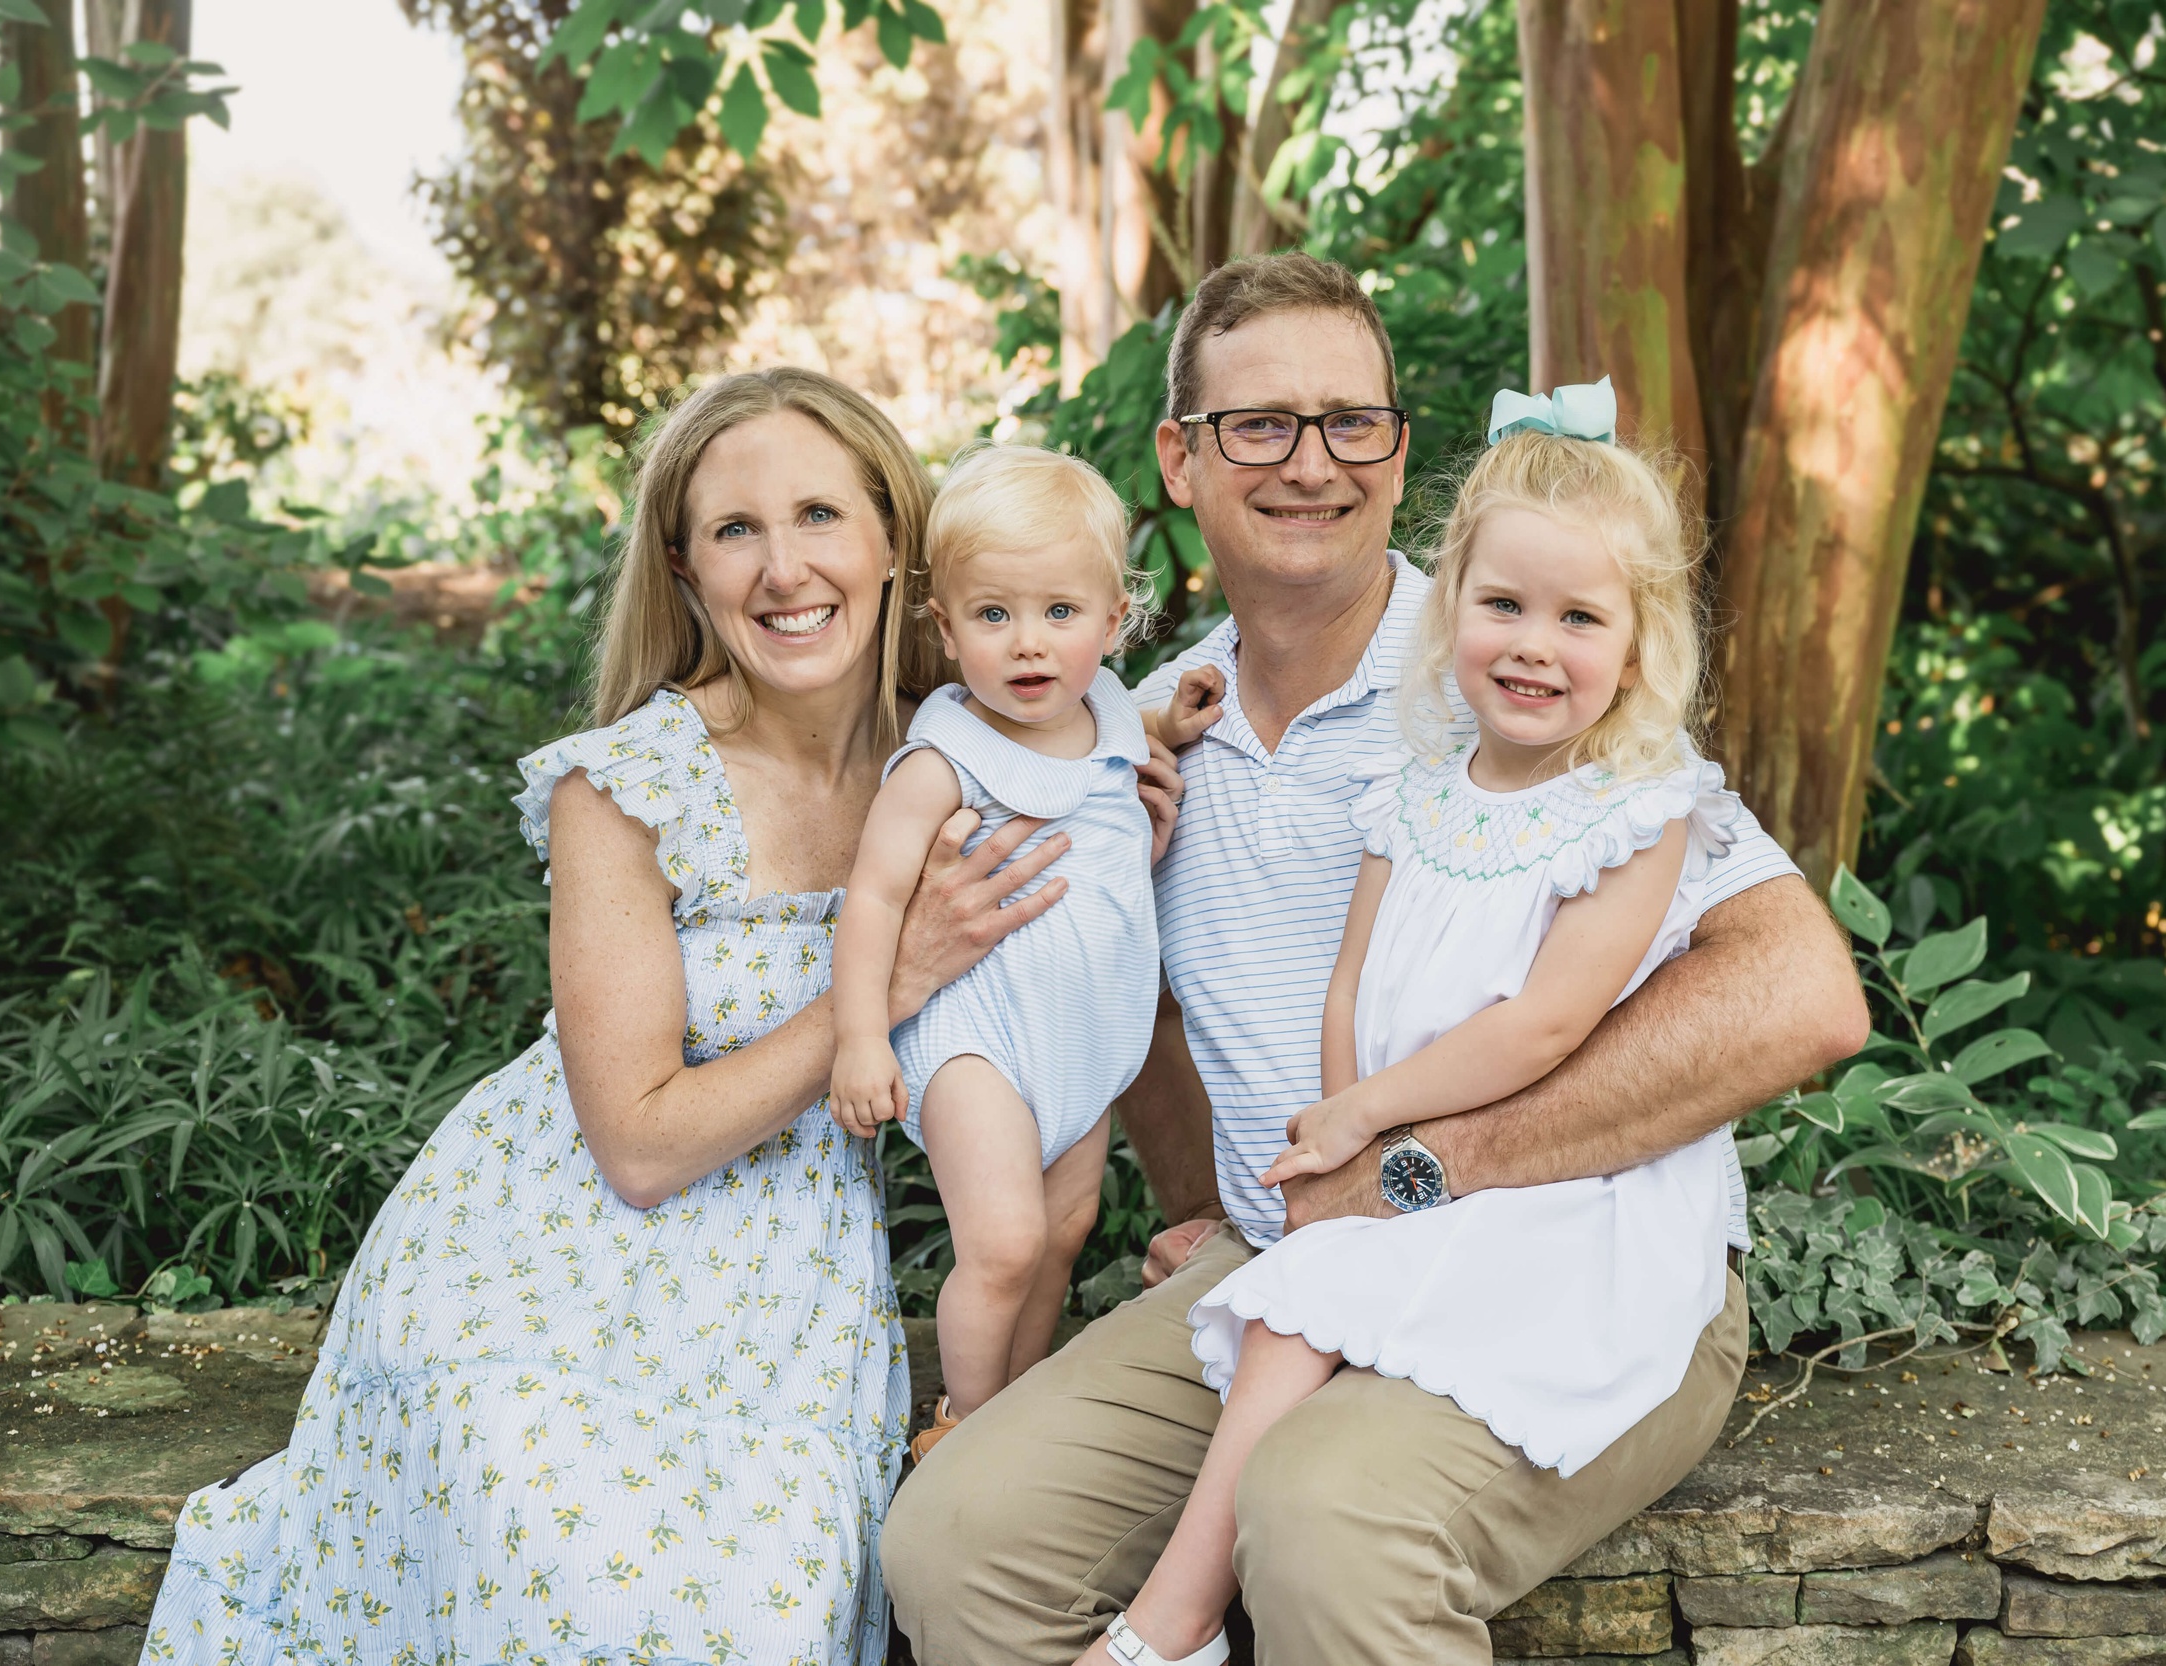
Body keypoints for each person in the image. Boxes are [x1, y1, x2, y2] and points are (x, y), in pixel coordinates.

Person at [882, 254, 1873, 1666]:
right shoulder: (1125, 724)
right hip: (1291, 1257)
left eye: (1352, 421)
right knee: (954, 1543)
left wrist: (1416, 1169)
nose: (1312, 463)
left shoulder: (1522, 656)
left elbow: (1801, 997)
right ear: (1180, 456)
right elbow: (1124, 995)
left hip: (1547, 1253)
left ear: (1402, 454)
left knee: (1328, 1519)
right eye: (1259, 424)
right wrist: (1202, 1200)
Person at [140, 369, 1093, 1666]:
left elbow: (1109, 746)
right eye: (734, 529)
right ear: (686, 570)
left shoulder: (970, 749)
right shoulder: (628, 784)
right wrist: (890, 980)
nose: (782, 566)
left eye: (819, 513)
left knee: (754, 1612)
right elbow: (638, 1142)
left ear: (891, 543)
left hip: (779, 1279)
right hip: (542, 1258)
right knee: (549, 1555)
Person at [1087, 382, 1755, 1666]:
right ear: (1450, 609)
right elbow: (1353, 981)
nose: (1531, 645)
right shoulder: (1417, 790)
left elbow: (1541, 1027)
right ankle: (1167, 1630)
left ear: (1637, 642)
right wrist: (1336, 1153)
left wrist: (1365, 1119)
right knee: (1298, 1298)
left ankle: (1160, 1628)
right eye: (1502, 606)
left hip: (1560, 1204)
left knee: (1307, 1343)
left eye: (1578, 618)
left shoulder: (1636, 809)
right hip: (1402, 1181)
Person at [829, 445, 1161, 1458]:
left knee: (1062, 1234)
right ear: (944, 626)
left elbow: (1120, 746)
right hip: (978, 1037)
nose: (1029, 644)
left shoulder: (1112, 719)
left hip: (1081, 1035)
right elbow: (875, 897)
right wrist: (857, 1039)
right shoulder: (943, 761)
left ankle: (1016, 1405)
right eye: (993, 615)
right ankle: (963, 1427)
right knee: (1005, 1239)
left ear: (1113, 620)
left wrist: (1168, 717)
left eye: (1060, 613)